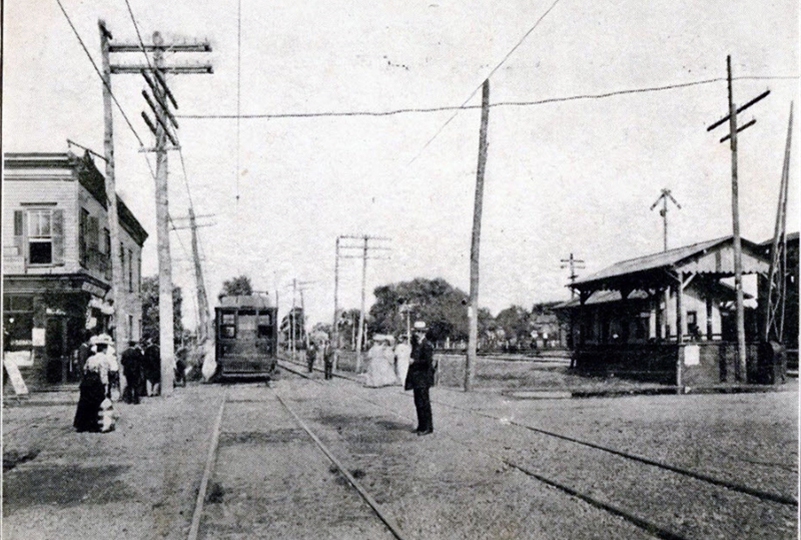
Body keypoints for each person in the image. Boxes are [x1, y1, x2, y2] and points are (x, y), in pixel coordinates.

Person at [74, 339, 111, 432]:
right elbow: (103, 373)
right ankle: (93, 425)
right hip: (96, 383)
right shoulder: (104, 359)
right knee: (96, 403)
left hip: (87, 382)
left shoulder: (90, 358)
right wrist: (105, 386)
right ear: (104, 349)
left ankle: (81, 425)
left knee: (84, 403)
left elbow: (85, 369)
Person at [405, 321, 435, 435]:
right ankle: (421, 425)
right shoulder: (417, 344)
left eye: (419, 332)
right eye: (416, 331)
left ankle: (427, 427)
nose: (416, 334)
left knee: (424, 402)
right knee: (418, 402)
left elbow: (427, 362)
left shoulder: (426, 345)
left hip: (423, 377)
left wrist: (414, 362)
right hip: (417, 378)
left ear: (423, 333)